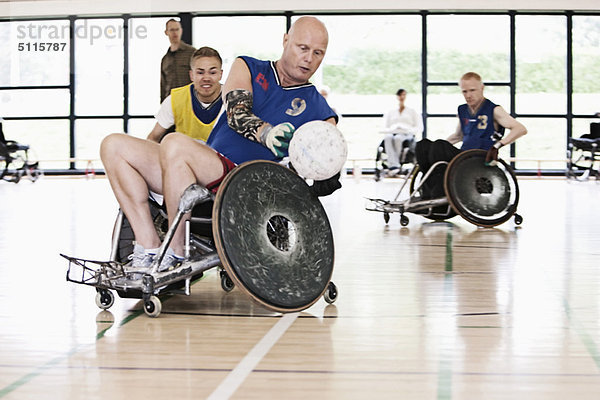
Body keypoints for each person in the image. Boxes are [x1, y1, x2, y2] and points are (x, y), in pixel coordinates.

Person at [100, 16, 339, 271]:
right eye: (303, 48)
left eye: (318, 53)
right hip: (206, 162)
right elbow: (237, 113)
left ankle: (176, 251)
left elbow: (328, 158)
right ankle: (148, 247)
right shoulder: (248, 66)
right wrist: (267, 133)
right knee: (113, 145)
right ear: (286, 40)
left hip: (247, 183)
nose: (309, 58)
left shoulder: (320, 109)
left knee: (175, 144)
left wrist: (323, 171)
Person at [415, 72, 527, 199]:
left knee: (439, 146)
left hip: (479, 158)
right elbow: (458, 136)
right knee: (423, 145)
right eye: (465, 92)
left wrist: (498, 146)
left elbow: (520, 129)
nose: (468, 95)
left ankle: (439, 192)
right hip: (462, 156)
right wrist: (432, 149)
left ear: (482, 88)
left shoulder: (494, 109)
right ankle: (427, 189)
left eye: (472, 90)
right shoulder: (462, 110)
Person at [149, 47, 224, 143]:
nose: (206, 78)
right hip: (184, 157)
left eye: (212, 72)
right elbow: (153, 138)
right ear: (192, 75)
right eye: (200, 72)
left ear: (220, 74)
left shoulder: (234, 100)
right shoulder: (175, 100)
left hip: (221, 157)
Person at [381, 88, 423, 175]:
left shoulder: (412, 110)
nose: (402, 97)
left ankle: (396, 165)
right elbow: (385, 126)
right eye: (400, 95)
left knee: (398, 139)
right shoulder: (391, 111)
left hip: (406, 134)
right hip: (392, 132)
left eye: (404, 95)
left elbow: (419, 126)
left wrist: (409, 130)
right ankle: (394, 165)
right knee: (388, 138)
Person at [160, 19, 196, 102]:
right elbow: (163, 84)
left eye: (177, 29)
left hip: (188, 100)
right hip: (171, 101)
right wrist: (163, 103)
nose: (175, 33)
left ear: (181, 31)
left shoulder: (192, 52)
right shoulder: (165, 59)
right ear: (166, 32)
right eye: (172, 30)